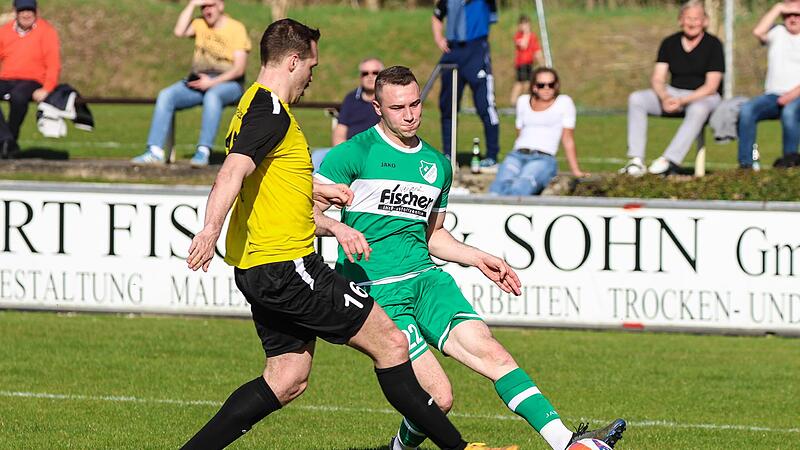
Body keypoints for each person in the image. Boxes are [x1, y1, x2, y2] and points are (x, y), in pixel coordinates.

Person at [182, 19, 515, 450]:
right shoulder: (271, 110)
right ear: (293, 60)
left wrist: (322, 196)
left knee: (287, 378)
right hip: (288, 266)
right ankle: (462, 449)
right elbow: (233, 171)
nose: (312, 76)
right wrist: (209, 229)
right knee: (392, 343)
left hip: (258, 268)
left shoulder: (251, 106)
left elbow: (269, 184)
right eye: (311, 67)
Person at [314, 66, 626, 450]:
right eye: (398, 108)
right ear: (378, 108)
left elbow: (432, 236)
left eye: (415, 104)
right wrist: (338, 228)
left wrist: (478, 258)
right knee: (439, 398)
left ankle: (566, 443)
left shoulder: (437, 164)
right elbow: (304, 217)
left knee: (493, 352)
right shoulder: (351, 154)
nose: (410, 114)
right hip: (377, 291)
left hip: (427, 281)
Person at [132, 0, 251, 167]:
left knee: (212, 96)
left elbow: (239, 69)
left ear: (221, 6)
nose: (207, 10)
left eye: (210, 5)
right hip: (198, 82)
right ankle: (155, 152)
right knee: (166, 96)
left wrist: (212, 83)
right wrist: (192, 4)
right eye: (203, 7)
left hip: (229, 83)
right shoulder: (199, 23)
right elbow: (179, 31)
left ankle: (203, 151)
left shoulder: (236, 28)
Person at [620, 0, 724, 176]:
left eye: (696, 18)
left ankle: (669, 160)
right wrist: (664, 97)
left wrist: (682, 101)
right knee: (637, 99)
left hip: (704, 96)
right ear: (680, 20)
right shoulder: (669, 43)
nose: (692, 23)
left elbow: (711, 86)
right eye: (688, 18)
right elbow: (658, 78)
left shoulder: (713, 45)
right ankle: (636, 160)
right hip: (673, 92)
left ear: (704, 21)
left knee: (699, 109)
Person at [490, 68, 585, 196]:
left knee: (521, 187)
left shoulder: (564, 103)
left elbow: (567, 139)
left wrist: (575, 170)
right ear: (534, 87)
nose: (546, 88)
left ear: (556, 85)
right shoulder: (523, 101)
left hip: (543, 158)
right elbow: (520, 133)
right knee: (497, 187)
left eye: (550, 85)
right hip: (517, 155)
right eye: (541, 85)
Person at [432, 0, 501, 170]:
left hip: (476, 49)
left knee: (485, 105)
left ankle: (492, 156)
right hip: (453, 51)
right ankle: (449, 155)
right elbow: (436, 16)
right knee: (447, 106)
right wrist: (439, 38)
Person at [737, 0, 800, 168]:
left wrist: (791, 96)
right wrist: (779, 7)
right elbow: (758, 31)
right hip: (773, 95)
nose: (792, 19)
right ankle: (746, 164)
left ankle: (790, 162)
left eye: (797, 15)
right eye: (788, 15)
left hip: (797, 96)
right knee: (747, 110)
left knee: (790, 112)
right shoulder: (777, 32)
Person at [0, 0, 60, 158]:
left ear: (36, 11)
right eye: (22, 11)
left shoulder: (46, 31)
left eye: (30, 11)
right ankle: (6, 139)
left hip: (31, 80)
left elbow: (53, 63)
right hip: (7, 78)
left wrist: (47, 88)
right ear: (15, 12)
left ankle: (9, 139)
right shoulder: (5, 32)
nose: (26, 14)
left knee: (18, 97)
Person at [310, 57, 383, 171]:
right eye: (365, 73)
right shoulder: (351, 99)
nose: (370, 76)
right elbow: (340, 132)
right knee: (316, 158)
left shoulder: (387, 100)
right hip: (349, 151)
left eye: (375, 73)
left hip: (376, 153)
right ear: (360, 77)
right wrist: (344, 154)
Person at [509, 15, 544, 105]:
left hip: (529, 63)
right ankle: (514, 102)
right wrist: (526, 34)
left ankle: (523, 101)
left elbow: (537, 50)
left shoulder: (533, 36)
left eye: (527, 24)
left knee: (527, 83)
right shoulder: (519, 35)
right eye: (523, 24)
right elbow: (523, 45)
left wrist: (542, 63)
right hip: (521, 64)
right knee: (521, 83)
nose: (525, 26)